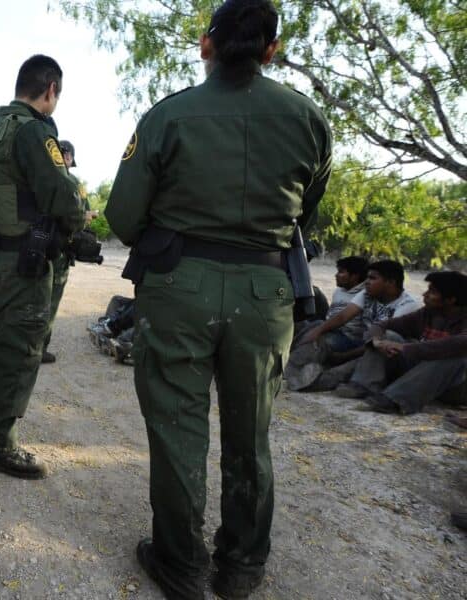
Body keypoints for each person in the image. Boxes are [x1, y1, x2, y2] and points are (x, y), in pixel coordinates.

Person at [104, 2, 332, 598]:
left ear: (206, 45)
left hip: (179, 286)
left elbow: (123, 217)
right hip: (265, 293)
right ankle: (241, 567)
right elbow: (305, 212)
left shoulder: (167, 116)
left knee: (179, 430)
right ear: (270, 50)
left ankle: (180, 565)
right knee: (250, 432)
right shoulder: (308, 119)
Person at [0, 54, 83, 479]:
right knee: (20, 350)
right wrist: (76, 227)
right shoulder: (34, 131)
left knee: (0, 344)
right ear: (50, 90)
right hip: (23, 262)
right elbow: (61, 195)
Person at [335, 271, 467, 414]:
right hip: (424, 378)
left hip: (457, 388)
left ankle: (395, 400)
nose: (425, 295)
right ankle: (364, 385)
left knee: (453, 358)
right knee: (389, 336)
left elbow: (456, 344)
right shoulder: (427, 313)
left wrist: (404, 348)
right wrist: (376, 341)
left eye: (432, 292)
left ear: (451, 300)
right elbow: (382, 325)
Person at [41, 139, 96, 363]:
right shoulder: (73, 182)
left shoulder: (40, 178)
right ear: (69, 158)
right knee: (51, 299)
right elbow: (80, 216)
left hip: (35, 245)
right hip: (59, 249)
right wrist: (86, 218)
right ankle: (39, 348)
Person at [284, 256, 368, 391]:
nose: (336, 275)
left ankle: (291, 372)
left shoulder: (365, 293)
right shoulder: (339, 291)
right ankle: (286, 360)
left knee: (318, 337)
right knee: (300, 326)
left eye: (341, 272)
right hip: (329, 327)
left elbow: (342, 318)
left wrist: (318, 331)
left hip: (346, 337)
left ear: (355, 276)